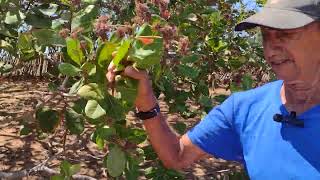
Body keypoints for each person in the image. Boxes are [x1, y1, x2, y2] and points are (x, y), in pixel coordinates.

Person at [107, 0, 320, 179]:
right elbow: (177, 155)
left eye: (285, 34)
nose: (271, 49)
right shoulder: (244, 109)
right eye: (266, 36)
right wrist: (145, 101)